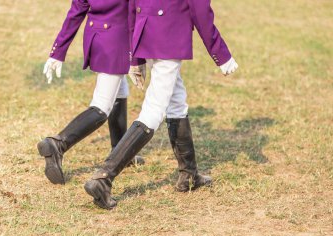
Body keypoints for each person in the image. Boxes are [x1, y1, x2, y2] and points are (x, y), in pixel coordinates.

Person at [84, 0, 239, 209]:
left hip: (145, 31)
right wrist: (222, 55)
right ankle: (104, 178)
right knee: (154, 109)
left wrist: (135, 57)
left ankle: (189, 173)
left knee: (176, 100)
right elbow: (200, 10)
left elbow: (131, 6)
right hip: (170, 34)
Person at [37, 0, 145, 185]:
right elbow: (133, 15)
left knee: (119, 90)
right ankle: (58, 144)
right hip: (116, 42)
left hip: (96, 39)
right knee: (102, 105)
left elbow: (76, 11)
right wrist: (136, 58)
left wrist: (57, 51)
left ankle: (119, 153)